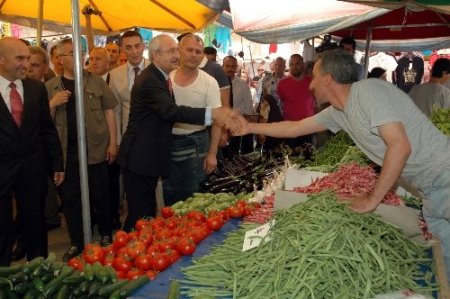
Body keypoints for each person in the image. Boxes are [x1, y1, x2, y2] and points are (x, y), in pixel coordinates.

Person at [233, 48, 450, 282]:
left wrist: (372, 199)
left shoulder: (368, 92)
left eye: (314, 77)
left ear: (327, 79)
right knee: (444, 260)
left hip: (444, 175)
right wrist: (250, 127)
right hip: (430, 190)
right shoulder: (339, 112)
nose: (310, 85)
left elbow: (400, 147)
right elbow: (294, 128)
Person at [117, 34, 240, 232]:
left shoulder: (161, 76)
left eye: (176, 50)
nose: (177, 55)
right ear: (156, 55)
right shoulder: (151, 80)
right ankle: (129, 253)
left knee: (149, 212)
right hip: (140, 158)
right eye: (172, 51)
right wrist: (212, 114)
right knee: (141, 216)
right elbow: (171, 112)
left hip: (150, 156)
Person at [46, 38, 117, 261]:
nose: (78, 56)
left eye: (80, 51)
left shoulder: (96, 82)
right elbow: (42, 123)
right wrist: (52, 103)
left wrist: (113, 142)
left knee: (101, 194)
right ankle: (77, 242)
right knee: (71, 198)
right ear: (59, 59)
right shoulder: (51, 87)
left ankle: (106, 234)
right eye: (70, 53)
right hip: (67, 153)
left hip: (95, 148)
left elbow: (109, 112)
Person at [0, 37, 64, 266]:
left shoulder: (36, 88)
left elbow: (47, 130)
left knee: (35, 222)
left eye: (28, 58)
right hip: (2, 169)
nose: (26, 64)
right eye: (20, 58)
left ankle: (40, 270)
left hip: (31, 167)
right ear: (1, 59)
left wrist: (57, 164)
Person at [162, 34, 222, 205]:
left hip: (197, 145)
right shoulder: (166, 78)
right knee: (169, 196)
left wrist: (212, 154)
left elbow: (217, 120)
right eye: (189, 49)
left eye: (198, 51)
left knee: (194, 198)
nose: (194, 54)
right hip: (168, 144)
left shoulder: (209, 82)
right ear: (179, 51)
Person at [88, 46, 122, 229]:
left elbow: (115, 112)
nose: (93, 62)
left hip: (111, 138)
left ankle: (113, 214)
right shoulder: (84, 80)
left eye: (98, 59)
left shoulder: (114, 80)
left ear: (108, 63)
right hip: (93, 141)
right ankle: (95, 216)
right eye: (91, 58)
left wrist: (114, 142)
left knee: (111, 180)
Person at [109, 30, 149, 147]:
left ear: (143, 47)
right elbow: (116, 111)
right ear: (122, 50)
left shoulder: (155, 69)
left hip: (154, 134)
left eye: (137, 46)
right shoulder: (115, 75)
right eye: (129, 47)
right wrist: (116, 142)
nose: (134, 52)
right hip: (128, 136)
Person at [277, 54, 315, 148]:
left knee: (308, 158)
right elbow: (279, 105)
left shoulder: (312, 82)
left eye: (297, 63)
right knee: (291, 158)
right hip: (290, 129)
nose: (294, 67)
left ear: (303, 64)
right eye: (291, 64)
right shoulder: (282, 84)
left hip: (308, 128)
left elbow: (317, 104)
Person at [222, 55, 254, 157]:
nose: (230, 69)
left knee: (234, 154)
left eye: (233, 66)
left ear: (236, 68)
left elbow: (248, 106)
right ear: (223, 66)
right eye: (227, 66)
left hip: (236, 125)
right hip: (220, 125)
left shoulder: (242, 85)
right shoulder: (216, 83)